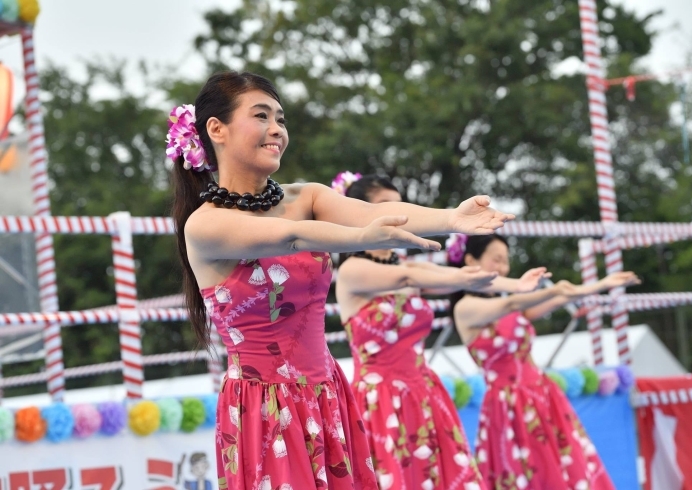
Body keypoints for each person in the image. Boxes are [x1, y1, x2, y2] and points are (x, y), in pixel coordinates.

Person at [169, 71, 515, 490]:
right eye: (261, 116)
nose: (276, 129)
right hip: (265, 406)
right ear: (216, 129)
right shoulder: (204, 226)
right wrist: (360, 238)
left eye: (280, 118)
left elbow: (368, 213)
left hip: (328, 393)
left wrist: (449, 219)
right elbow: (289, 236)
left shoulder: (307, 197)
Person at [333, 173, 551, 490]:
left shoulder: (403, 263)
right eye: (384, 206)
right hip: (380, 399)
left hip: (423, 390)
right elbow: (408, 277)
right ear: (357, 211)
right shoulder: (353, 271)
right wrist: (454, 230)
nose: (398, 214)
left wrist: (515, 285)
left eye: (401, 205)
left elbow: (459, 274)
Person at [449, 234, 640, 490]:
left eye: (506, 261)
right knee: (526, 474)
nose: (503, 268)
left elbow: (559, 299)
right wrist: (555, 288)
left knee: (565, 469)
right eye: (496, 259)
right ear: (471, 260)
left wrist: (599, 284)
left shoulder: (511, 305)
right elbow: (515, 301)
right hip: (508, 404)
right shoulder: (466, 307)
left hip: (542, 395)